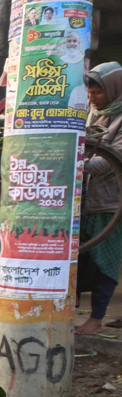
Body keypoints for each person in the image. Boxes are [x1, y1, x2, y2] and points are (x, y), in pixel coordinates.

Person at [77, 62, 122, 334]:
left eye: (98, 93)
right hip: (85, 203)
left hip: (109, 205)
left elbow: (109, 161)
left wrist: (72, 161)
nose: (92, 98)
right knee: (82, 261)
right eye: (90, 92)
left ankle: (96, 319)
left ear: (114, 90)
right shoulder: (97, 116)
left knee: (106, 263)